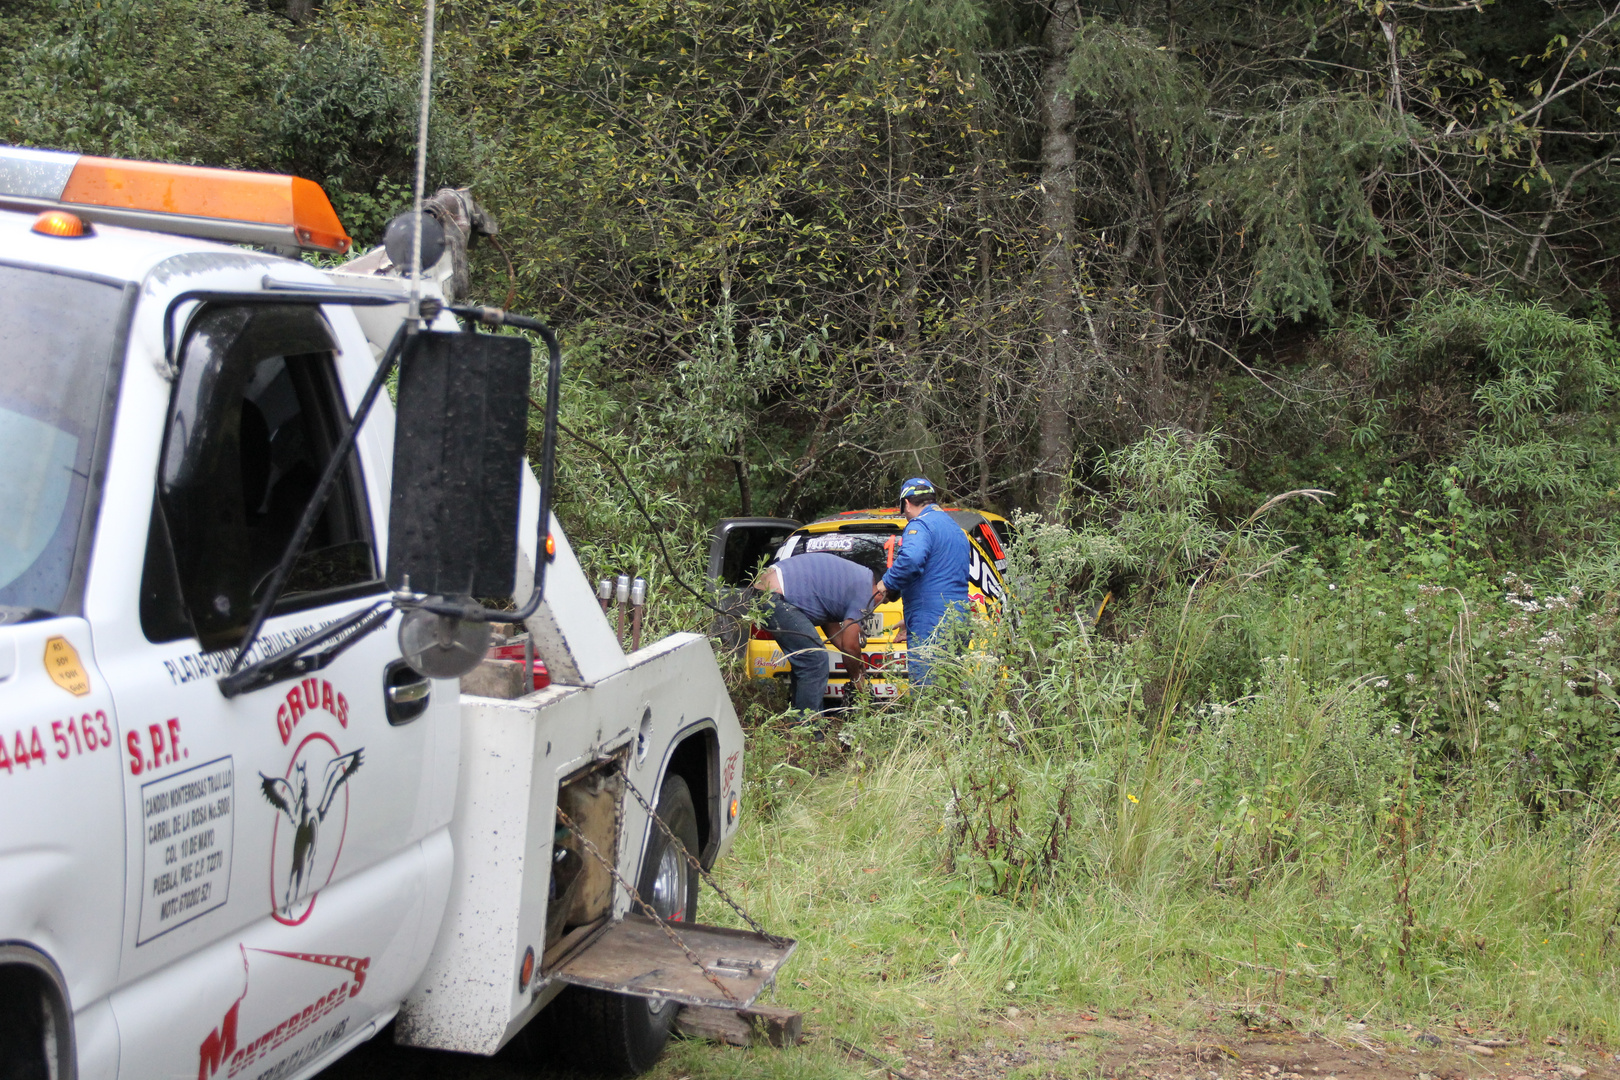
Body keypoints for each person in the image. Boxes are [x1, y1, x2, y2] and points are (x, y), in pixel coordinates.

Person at [872, 477, 970, 686]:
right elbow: (941, 574)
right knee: (953, 684)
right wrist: (910, 621)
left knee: (927, 688)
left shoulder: (920, 524)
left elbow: (911, 559)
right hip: (959, 614)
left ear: (906, 503)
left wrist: (885, 583)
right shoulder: (956, 529)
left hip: (930, 617)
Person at [755, 551, 874, 716]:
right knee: (814, 660)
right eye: (879, 603)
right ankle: (809, 732)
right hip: (775, 595)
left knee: (807, 660)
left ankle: (799, 726)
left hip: (770, 589)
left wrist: (855, 657)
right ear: (880, 593)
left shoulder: (852, 582)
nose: (873, 609)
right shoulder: (866, 591)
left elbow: (834, 630)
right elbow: (850, 645)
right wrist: (857, 679)